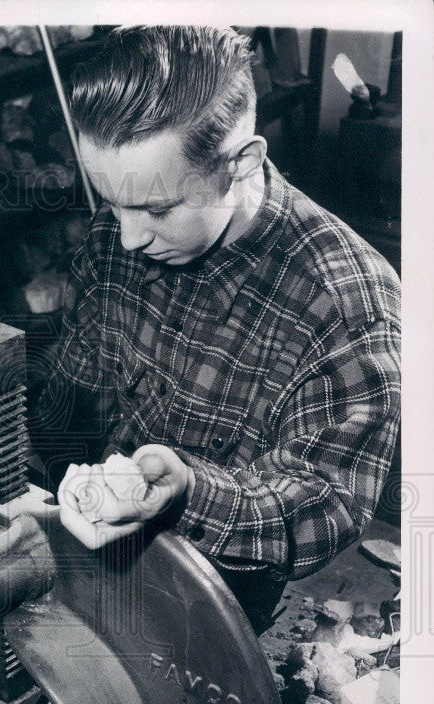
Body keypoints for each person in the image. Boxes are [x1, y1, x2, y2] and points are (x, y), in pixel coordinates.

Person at [32, 26, 401, 633]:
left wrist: (186, 491)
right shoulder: (119, 235)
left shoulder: (346, 302)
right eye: (110, 202)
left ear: (243, 163)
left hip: (222, 599)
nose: (126, 237)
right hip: (88, 560)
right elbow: (73, 388)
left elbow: (324, 504)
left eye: (155, 209)